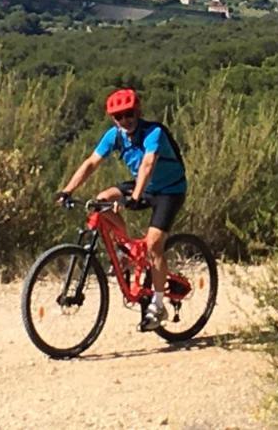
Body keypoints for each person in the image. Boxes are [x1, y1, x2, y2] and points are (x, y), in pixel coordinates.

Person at [56, 87, 187, 331]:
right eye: (119, 117)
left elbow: (148, 163)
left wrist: (135, 197)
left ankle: (158, 306)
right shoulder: (114, 135)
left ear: (137, 112)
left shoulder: (153, 132)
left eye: (129, 114)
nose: (125, 121)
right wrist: (67, 190)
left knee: (155, 243)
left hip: (169, 189)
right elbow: (91, 162)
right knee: (101, 201)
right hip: (143, 186)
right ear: (113, 119)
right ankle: (128, 249)